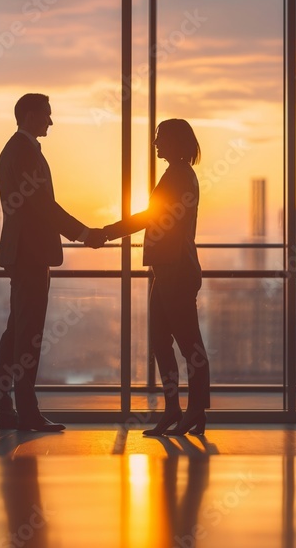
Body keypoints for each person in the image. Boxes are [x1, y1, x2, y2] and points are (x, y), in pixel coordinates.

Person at [0, 93, 105, 432]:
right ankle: (26, 412)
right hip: (31, 254)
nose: (50, 122)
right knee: (28, 335)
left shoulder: (17, 150)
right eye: (46, 115)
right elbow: (43, 207)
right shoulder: (24, 153)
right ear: (28, 115)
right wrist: (84, 233)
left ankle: (5, 407)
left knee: (16, 332)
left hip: (24, 253)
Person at [91, 119, 210, 436]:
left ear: (174, 140)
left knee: (188, 344)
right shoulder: (177, 174)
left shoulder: (180, 176)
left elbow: (150, 216)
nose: (155, 143)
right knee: (161, 340)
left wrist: (107, 232)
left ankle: (195, 409)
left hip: (176, 270)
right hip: (167, 269)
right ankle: (174, 408)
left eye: (160, 138)